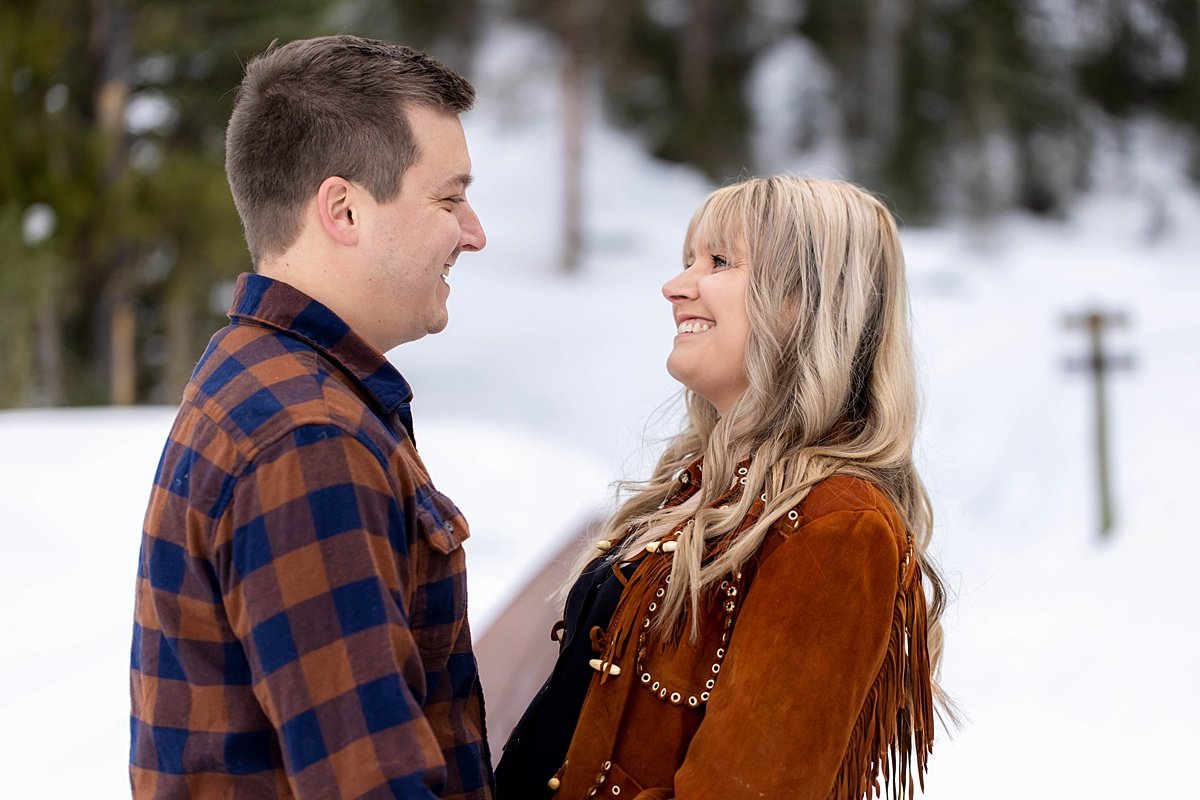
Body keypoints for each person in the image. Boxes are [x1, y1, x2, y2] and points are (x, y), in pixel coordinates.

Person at [494, 176, 950, 800]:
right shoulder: (707, 488)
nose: (676, 286)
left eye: (719, 262)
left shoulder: (837, 524)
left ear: (803, 302)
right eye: (687, 261)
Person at [129, 36, 491, 799]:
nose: (473, 231)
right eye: (450, 197)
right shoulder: (307, 437)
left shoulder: (266, 379)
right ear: (345, 209)